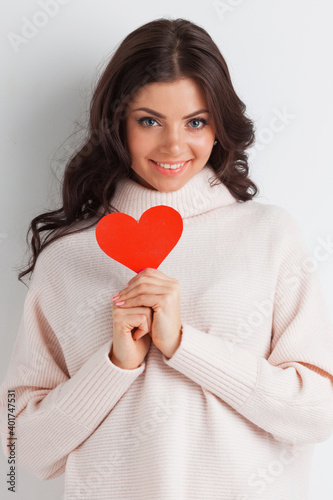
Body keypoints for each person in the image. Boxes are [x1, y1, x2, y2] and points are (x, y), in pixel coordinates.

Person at [1, 17, 333, 500]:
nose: (175, 145)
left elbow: (318, 413)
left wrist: (184, 345)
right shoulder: (69, 255)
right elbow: (21, 449)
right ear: (117, 124)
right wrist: (115, 364)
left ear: (219, 126)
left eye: (195, 121)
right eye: (149, 120)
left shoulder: (269, 235)